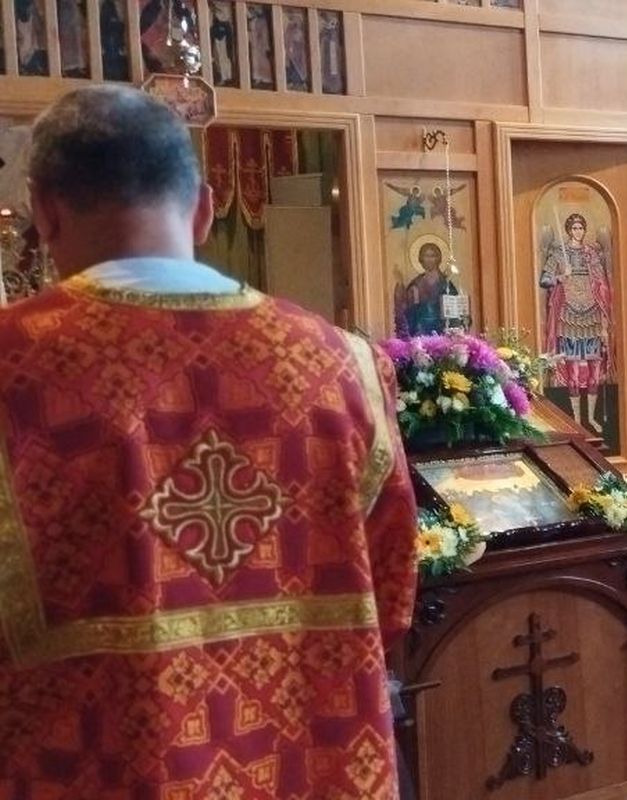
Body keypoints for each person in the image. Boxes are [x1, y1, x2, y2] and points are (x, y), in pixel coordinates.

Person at [0, 85, 416, 796]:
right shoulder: (343, 363)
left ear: (44, 210)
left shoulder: (15, 364)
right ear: (204, 208)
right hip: (316, 761)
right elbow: (394, 584)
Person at [540, 212, 615, 429]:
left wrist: (604, 320)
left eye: (581, 228)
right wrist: (561, 277)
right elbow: (544, 280)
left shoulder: (591, 254)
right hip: (569, 316)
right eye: (574, 228)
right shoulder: (558, 254)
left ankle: (591, 417)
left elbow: (602, 284)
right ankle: (577, 419)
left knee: (594, 370)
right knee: (572, 370)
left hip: (592, 315)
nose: (578, 232)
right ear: (568, 230)